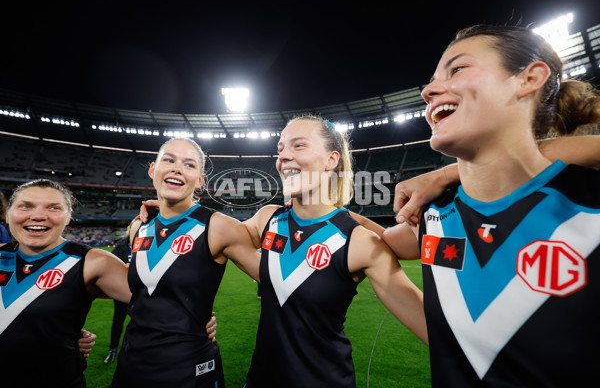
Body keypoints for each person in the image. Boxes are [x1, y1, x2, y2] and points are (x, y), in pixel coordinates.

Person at [382, 24, 600, 386]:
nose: (427, 91)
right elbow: (373, 246)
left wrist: (445, 173)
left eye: (458, 69)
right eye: (433, 79)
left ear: (529, 78)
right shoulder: (435, 218)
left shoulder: (589, 207)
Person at [240, 115, 428, 387]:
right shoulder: (267, 219)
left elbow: (433, 326)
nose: (284, 157)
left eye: (298, 146)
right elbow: (210, 242)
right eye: (280, 149)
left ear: (331, 160)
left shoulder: (359, 240)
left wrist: (448, 174)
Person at [110, 138, 260, 388]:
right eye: (168, 160)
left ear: (199, 180)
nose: (177, 168)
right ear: (152, 170)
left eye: (189, 165)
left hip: (191, 369)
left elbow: (274, 278)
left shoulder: (218, 226)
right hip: (131, 365)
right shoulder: (139, 227)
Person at [0, 179, 131, 388]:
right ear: (8, 214)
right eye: (26, 206)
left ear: (69, 216)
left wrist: (204, 311)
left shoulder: (94, 261)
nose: (38, 215)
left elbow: (160, 298)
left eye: (54, 207)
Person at [104, 222, 133, 364]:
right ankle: (113, 350)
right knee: (118, 320)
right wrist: (124, 268)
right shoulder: (123, 245)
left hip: (140, 291)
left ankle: (136, 348)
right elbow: (110, 265)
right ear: (129, 230)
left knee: (142, 320)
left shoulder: (149, 241)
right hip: (122, 289)